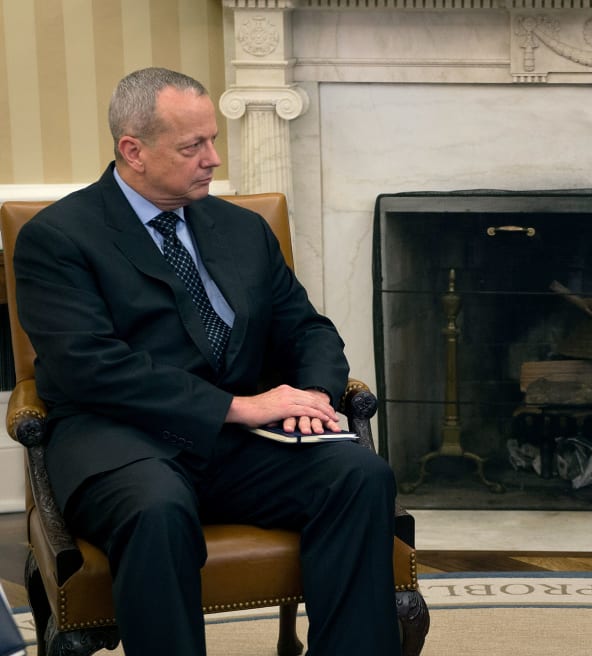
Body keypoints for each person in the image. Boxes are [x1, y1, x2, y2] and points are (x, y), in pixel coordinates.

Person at [13, 68, 400, 655]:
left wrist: (314, 397)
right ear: (132, 150)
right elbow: (88, 366)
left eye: (212, 140)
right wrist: (239, 406)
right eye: (193, 146)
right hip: (121, 441)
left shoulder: (241, 229)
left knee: (360, 476)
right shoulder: (59, 238)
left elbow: (308, 328)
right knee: (157, 508)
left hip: (240, 446)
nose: (213, 159)